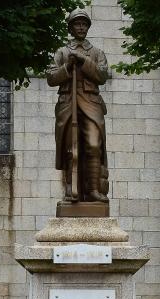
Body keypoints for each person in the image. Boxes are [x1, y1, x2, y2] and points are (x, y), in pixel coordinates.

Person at [47, 9, 109, 203]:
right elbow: (50, 77)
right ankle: (70, 189)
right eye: (77, 24)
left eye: (84, 24)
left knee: (93, 145)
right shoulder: (62, 52)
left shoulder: (97, 52)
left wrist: (84, 60)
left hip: (91, 103)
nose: (81, 27)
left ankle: (93, 190)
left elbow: (102, 75)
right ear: (71, 28)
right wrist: (67, 67)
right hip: (68, 103)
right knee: (70, 147)